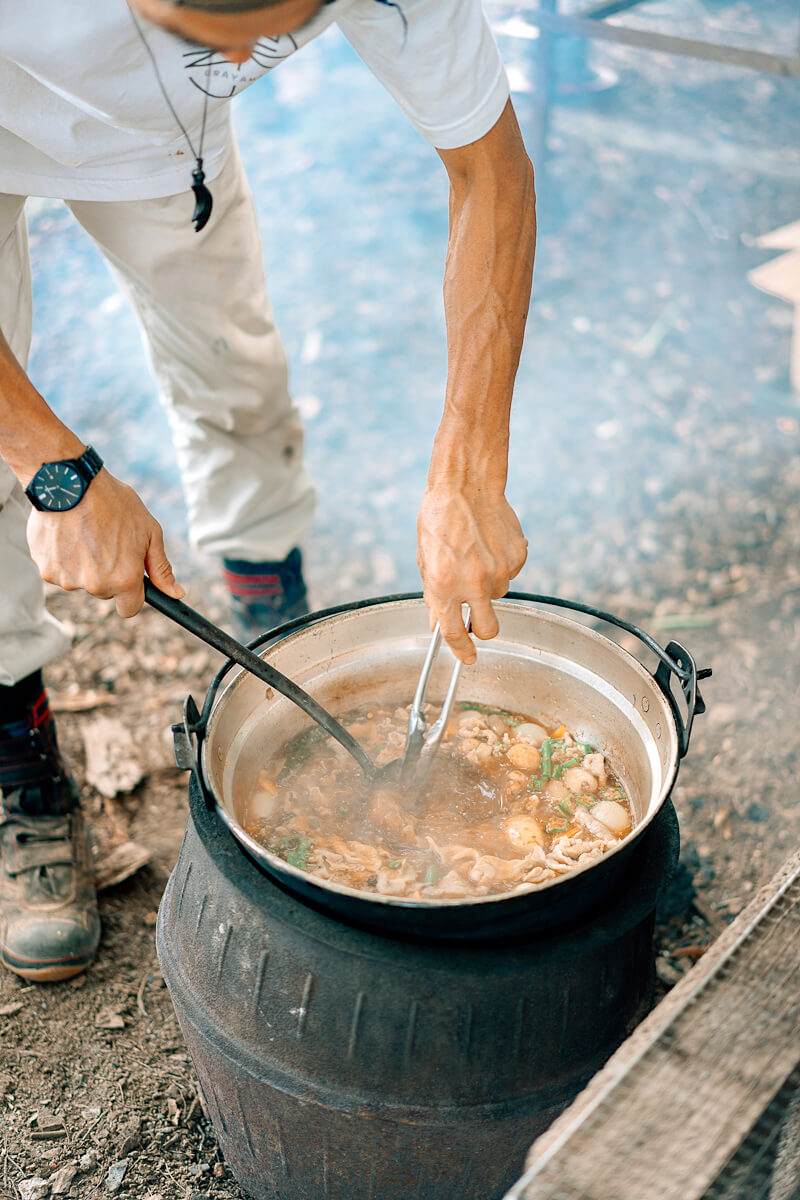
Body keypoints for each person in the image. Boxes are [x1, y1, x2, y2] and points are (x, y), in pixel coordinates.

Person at [0, 0, 534, 982]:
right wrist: (51, 464)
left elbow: (488, 168)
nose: (248, 60)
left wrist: (468, 467)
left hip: (169, 158)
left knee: (235, 374)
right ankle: (13, 742)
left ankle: (267, 623)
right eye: (203, 27)